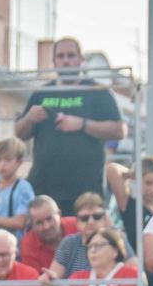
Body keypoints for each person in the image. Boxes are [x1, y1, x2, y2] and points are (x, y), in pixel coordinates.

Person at [14, 37, 125, 213]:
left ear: (81, 60)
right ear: (54, 62)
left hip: (85, 190)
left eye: (71, 55)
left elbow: (119, 130)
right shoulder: (41, 93)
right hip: (44, 188)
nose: (66, 60)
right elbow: (20, 133)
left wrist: (81, 124)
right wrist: (29, 118)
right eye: (61, 56)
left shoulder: (98, 91)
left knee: (87, 239)